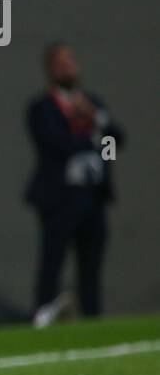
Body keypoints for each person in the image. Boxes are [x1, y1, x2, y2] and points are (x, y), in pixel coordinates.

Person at [24, 42, 124, 324]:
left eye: (70, 61)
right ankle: (43, 314)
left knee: (91, 264)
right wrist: (91, 140)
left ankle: (92, 318)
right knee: (52, 261)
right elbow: (54, 144)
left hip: (93, 195)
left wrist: (96, 120)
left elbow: (115, 142)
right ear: (50, 70)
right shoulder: (41, 107)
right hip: (59, 197)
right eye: (60, 63)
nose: (67, 67)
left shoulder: (92, 104)